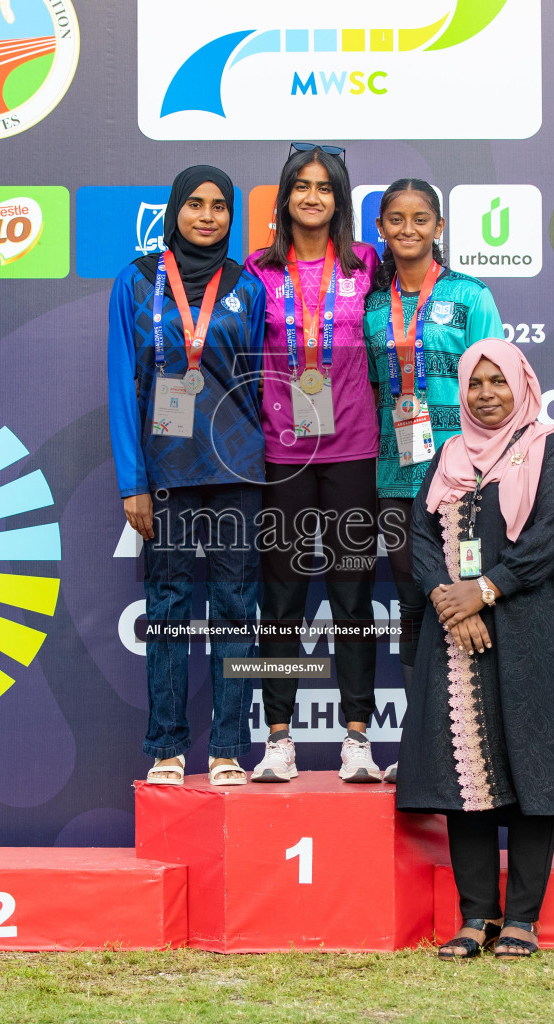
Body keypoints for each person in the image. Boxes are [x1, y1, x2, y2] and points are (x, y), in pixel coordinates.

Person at [395, 338, 554, 959]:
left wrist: (484, 590)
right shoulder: (450, 456)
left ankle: (522, 918)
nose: (488, 395)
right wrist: (447, 600)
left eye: (499, 383)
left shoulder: (552, 448)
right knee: (468, 781)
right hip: (456, 638)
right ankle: (475, 916)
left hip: (529, 629)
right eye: (476, 384)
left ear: (523, 385)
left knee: (532, 768)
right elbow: (422, 534)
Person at [107, 165, 267, 787]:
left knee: (235, 606)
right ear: (175, 210)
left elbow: (255, 379)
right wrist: (131, 482)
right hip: (165, 468)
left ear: (232, 216)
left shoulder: (244, 285)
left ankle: (227, 748)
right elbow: (124, 384)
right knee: (170, 605)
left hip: (237, 470)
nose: (208, 215)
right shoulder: (138, 281)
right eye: (195, 204)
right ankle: (167, 748)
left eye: (220, 206)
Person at [243, 144, 384, 783]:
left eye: (325, 187)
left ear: (340, 200)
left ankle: (357, 741)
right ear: (284, 198)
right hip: (283, 454)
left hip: (354, 449)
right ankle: (279, 740)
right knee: (283, 597)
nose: (312, 197)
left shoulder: (367, 265)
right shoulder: (256, 271)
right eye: (300, 186)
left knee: (352, 596)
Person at [362, 178, 504, 782]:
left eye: (420, 219)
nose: (408, 229)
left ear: (439, 227)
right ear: (381, 230)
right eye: (395, 219)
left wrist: (484, 467)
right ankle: (422, 750)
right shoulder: (371, 304)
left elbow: (496, 385)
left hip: (462, 477)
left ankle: (476, 748)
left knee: (469, 605)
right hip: (396, 476)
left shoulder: (470, 296)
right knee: (415, 607)